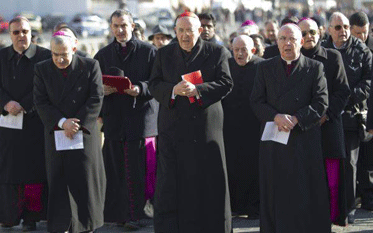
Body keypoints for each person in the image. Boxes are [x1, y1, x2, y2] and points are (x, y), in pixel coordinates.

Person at [149, 11, 233, 233]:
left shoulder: (216, 52)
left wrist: (199, 89)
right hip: (173, 128)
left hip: (204, 127)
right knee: (172, 183)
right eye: (181, 31)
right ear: (175, 32)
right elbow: (154, 84)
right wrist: (172, 90)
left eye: (190, 31)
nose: (186, 35)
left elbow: (226, 83)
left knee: (208, 181)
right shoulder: (164, 54)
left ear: (200, 31)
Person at [250, 23, 331, 232]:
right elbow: (256, 101)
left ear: (301, 42)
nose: (288, 43)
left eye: (293, 39)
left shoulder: (315, 68)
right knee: (276, 192)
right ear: (276, 43)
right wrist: (275, 116)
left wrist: (296, 119)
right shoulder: (264, 68)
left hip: (303, 139)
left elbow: (321, 102)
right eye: (283, 39)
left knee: (304, 192)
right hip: (275, 142)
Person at [33, 31, 105, 233]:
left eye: (64, 54)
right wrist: (63, 122)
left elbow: (96, 98)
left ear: (73, 48)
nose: (60, 59)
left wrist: (77, 124)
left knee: (85, 180)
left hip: (83, 131)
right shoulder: (42, 69)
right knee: (59, 180)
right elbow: (40, 101)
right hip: (58, 132)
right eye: (55, 54)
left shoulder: (90, 66)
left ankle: (87, 224)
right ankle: (61, 225)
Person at [93, 9, 158, 229]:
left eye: (124, 25)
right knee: (116, 170)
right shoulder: (102, 55)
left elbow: (157, 82)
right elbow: (92, 86)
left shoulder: (149, 52)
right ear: (111, 28)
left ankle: (140, 215)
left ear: (132, 26)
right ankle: (118, 214)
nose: (120, 30)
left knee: (141, 171)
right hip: (115, 121)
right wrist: (102, 90)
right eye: (115, 26)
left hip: (140, 121)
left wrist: (140, 89)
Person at [0, 16, 50, 231]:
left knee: (33, 172)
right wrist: (6, 103)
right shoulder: (1, 56)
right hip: (7, 123)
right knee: (8, 171)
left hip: (33, 122)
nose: (21, 36)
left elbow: (46, 87)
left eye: (25, 31)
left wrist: (24, 104)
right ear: (10, 34)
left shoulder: (44, 56)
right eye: (16, 32)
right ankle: (8, 216)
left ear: (32, 32)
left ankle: (31, 217)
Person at [299, 17, 350, 225]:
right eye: (303, 34)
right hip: (303, 129)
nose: (308, 37)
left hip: (329, 126)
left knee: (331, 181)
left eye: (311, 32)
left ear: (320, 32)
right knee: (307, 181)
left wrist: (326, 115)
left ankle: (330, 219)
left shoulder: (333, 56)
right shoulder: (293, 60)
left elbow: (342, 91)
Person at [322, 12, 373, 223]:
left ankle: (348, 210)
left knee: (350, 165)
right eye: (337, 27)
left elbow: (368, 82)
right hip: (327, 117)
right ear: (329, 29)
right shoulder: (322, 50)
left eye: (344, 27)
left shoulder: (362, 51)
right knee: (330, 164)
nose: (342, 31)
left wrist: (345, 99)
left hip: (352, 116)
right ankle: (328, 208)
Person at [223, 35, 263, 219]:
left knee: (254, 168)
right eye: (236, 50)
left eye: (244, 50)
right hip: (230, 127)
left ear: (253, 50)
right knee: (233, 166)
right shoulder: (226, 66)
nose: (239, 53)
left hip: (255, 127)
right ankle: (236, 205)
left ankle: (253, 206)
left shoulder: (262, 66)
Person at [349, 11, 373, 212]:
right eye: (358, 33)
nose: (362, 38)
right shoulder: (349, 49)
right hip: (354, 110)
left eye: (365, 33)